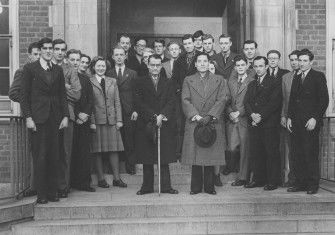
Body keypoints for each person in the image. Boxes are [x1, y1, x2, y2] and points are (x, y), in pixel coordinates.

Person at [20, 37, 69, 204]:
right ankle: (41, 194)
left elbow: (62, 94)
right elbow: (23, 96)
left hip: (55, 119)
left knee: (54, 156)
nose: (49, 51)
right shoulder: (30, 69)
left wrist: (65, 116)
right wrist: (28, 117)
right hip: (38, 120)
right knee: (40, 156)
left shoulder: (57, 70)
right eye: (46, 48)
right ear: (40, 50)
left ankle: (52, 192)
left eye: (51, 48)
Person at [181, 52, 228, 195]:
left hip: (212, 122)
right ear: (195, 64)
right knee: (195, 157)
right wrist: (196, 116)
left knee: (210, 155)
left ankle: (209, 187)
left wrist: (210, 116)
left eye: (205, 61)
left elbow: (222, 99)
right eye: (199, 61)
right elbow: (185, 100)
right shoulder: (188, 80)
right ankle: (195, 187)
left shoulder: (219, 79)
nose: (202, 63)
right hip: (195, 122)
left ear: (209, 63)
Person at [134, 54, 178, 195]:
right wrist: (153, 116)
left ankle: (166, 186)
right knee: (147, 157)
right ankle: (146, 187)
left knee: (163, 157)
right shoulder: (139, 82)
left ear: (161, 66)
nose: (155, 68)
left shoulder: (169, 82)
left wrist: (162, 115)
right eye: (152, 65)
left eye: (158, 65)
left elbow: (172, 101)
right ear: (147, 65)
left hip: (163, 123)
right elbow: (138, 102)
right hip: (147, 123)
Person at [287, 49, 329, 194]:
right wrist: (289, 118)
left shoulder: (318, 76)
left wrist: (315, 118)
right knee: (297, 153)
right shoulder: (297, 77)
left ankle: (312, 185)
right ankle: (300, 183)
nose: (302, 63)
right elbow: (292, 100)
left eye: (305, 61)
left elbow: (324, 100)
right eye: (300, 61)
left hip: (310, 123)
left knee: (310, 153)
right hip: (296, 123)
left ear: (311, 62)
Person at [244, 56, 282, 191]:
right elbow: (246, 102)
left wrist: (260, 116)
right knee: (256, 152)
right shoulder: (252, 84)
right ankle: (258, 179)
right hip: (255, 124)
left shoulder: (275, 82)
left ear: (266, 67)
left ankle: (273, 181)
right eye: (256, 66)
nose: (258, 69)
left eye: (261, 66)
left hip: (269, 123)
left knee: (271, 152)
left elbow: (274, 103)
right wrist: (252, 115)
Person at [89, 56, 127, 189]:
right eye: (98, 66)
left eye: (103, 66)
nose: (101, 68)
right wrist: (92, 121)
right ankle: (100, 179)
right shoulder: (89, 81)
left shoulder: (112, 81)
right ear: (93, 67)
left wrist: (119, 120)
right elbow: (90, 104)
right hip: (97, 121)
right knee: (98, 150)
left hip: (112, 120)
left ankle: (117, 179)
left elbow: (117, 101)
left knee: (114, 149)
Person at [9, 41, 40, 197]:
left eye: (40, 54)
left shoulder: (44, 71)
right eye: (35, 54)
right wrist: (29, 103)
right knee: (32, 152)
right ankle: (32, 186)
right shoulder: (23, 71)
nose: (38, 57)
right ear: (29, 56)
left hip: (43, 117)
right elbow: (13, 93)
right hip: (30, 117)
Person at [52, 39, 81, 198]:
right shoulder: (46, 67)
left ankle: (63, 186)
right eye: (56, 49)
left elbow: (76, 94)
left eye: (63, 49)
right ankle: (50, 186)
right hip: (49, 114)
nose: (59, 52)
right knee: (50, 150)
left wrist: (61, 86)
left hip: (67, 115)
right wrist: (65, 86)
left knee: (65, 151)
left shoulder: (70, 69)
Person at [66, 50, 95, 192]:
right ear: (68, 60)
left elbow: (91, 99)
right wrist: (77, 114)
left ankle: (84, 183)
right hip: (71, 118)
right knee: (70, 152)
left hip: (84, 120)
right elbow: (68, 99)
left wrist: (86, 114)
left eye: (79, 60)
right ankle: (70, 182)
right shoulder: (65, 77)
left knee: (84, 151)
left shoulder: (85, 79)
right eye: (73, 60)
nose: (76, 63)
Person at [109, 45, 138, 175]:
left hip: (128, 110)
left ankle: (130, 165)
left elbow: (137, 93)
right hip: (113, 110)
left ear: (125, 56)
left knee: (130, 139)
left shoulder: (132, 73)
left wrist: (135, 110)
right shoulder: (108, 73)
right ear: (113, 57)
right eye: (117, 55)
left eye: (121, 54)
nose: (119, 57)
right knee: (113, 139)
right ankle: (113, 167)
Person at [227, 56, 254, 187]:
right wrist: (230, 112)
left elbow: (251, 101)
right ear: (235, 67)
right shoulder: (231, 82)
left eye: (243, 65)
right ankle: (242, 173)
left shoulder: (252, 81)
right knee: (232, 148)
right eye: (238, 65)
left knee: (245, 149)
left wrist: (240, 112)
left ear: (247, 66)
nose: (240, 67)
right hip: (233, 120)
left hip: (245, 120)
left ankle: (243, 177)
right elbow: (226, 100)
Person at [172, 34, 200, 158]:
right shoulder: (180, 59)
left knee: (197, 123)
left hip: (199, 96)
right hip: (183, 97)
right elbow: (174, 79)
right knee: (182, 125)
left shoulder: (201, 57)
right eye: (186, 44)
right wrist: (180, 91)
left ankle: (197, 151)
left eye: (190, 43)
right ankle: (182, 153)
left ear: (194, 43)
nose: (188, 46)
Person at [280, 50, 300, 187]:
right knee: (290, 150)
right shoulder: (286, 77)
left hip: (302, 119)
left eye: (297, 59)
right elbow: (283, 99)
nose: (294, 62)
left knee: (302, 149)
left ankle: (303, 179)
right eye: (291, 60)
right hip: (288, 120)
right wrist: (283, 115)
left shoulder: (308, 76)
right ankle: (292, 179)